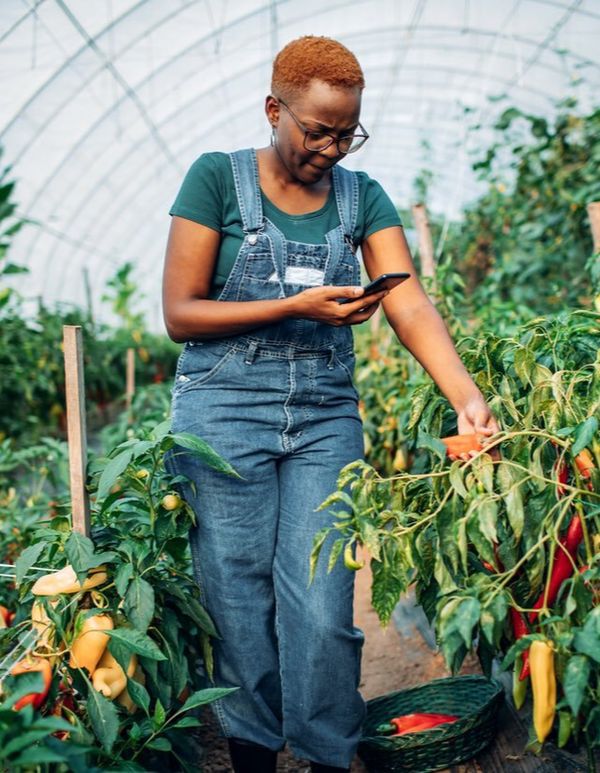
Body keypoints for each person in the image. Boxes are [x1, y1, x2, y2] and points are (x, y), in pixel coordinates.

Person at [162, 35, 499, 773]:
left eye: (347, 132)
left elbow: (406, 297)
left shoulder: (360, 195)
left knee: (321, 603)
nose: (332, 147)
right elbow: (180, 313)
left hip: (322, 416)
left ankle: (325, 755)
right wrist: (296, 305)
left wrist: (464, 394)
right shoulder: (217, 181)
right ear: (273, 109)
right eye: (317, 130)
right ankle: (252, 753)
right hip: (222, 413)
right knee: (237, 602)